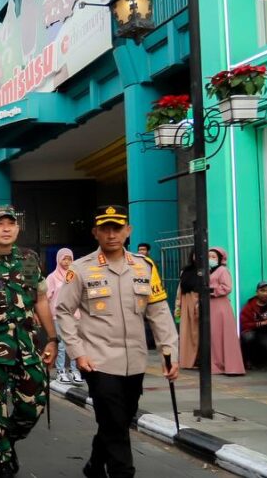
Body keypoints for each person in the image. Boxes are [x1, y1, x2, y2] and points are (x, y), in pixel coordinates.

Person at [55, 205, 179, 478]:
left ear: (128, 231)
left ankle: (95, 465)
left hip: (134, 362)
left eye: (117, 228)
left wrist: (170, 353)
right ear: (95, 233)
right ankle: (123, 472)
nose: (112, 234)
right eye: (105, 229)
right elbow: (63, 311)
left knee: (118, 422)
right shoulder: (81, 269)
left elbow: (158, 312)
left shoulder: (144, 266)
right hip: (97, 361)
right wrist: (77, 352)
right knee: (114, 423)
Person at [0, 206, 56, 477]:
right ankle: (1, 462)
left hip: (26, 344)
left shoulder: (30, 259)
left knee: (34, 404)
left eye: (11, 223)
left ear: (17, 228)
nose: (6, 228)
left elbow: (41, 299)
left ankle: (6, 442)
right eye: (0, 224)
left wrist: (52, 338)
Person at [207, 247, 245, 376]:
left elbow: (227, 287)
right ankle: (217, 365)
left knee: (224, 335)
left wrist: (211, 290)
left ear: (220, 259)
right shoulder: (209, 271)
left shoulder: (223, 270)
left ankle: (231, 366)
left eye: (213, 257)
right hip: (211, 306)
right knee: (214, 337)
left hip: (221, 306)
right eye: (208, 256)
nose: (210, 259)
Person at [46, 248, 82, 384]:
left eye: (69, 259)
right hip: (58, 316)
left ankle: (74, 370)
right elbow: (47, 297)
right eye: (64, 259)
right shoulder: (52, 277)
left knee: (75, 344)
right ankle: (61, 371)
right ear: (58, 259)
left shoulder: (76, 275)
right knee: (61, 345)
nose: (67, 262)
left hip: (75, 315)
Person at [176, 255, 200, 370]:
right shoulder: (186, 271)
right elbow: (180, 290)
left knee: (200, 334)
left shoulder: (208, 271)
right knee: (187, 334)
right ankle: (188, 361)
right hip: (186, 304)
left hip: (200, 304)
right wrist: (178, 307)